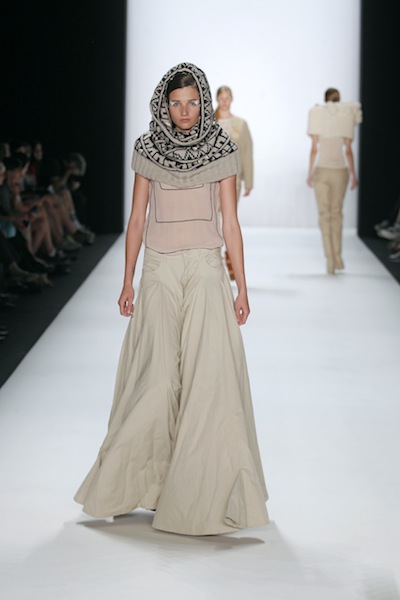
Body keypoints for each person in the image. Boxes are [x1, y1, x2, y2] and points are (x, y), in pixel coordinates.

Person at [75, 63, 269, 536]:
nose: (185, 111)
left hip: (205, 269)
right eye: (177, 103)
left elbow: (230, 222)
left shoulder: (222, 148)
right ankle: (139, 486)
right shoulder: (147, 147)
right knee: (155, 380)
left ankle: (203, 499)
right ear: (164, 105)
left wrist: (242, 285)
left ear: (204, 103)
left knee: (209, 381)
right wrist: (127, 280)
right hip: (159, 271)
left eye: (193, 102)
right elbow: (137, 219)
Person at [307, 88, 362, 274]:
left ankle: (330, 259)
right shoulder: (345, 117)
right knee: (337, 214)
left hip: (322, 170)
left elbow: (314, 149)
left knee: (325, 216)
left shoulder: (317, 116)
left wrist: (310, 173)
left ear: (325, 99)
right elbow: (348, 150)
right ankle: (337, 257)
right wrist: (354, 175)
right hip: (340, 171)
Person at [215, 85, 253, 280]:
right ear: (217, 99)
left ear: (231, 99)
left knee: (227, 218)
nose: (224, 101)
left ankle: (228, 259)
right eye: (221, 98)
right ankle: (216, 260)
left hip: (233, 179)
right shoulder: (209, 123)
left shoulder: (240, 124)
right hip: (210, 178)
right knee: (212, 219)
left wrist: (249, 181)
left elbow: (246, 152)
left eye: (227, 97)